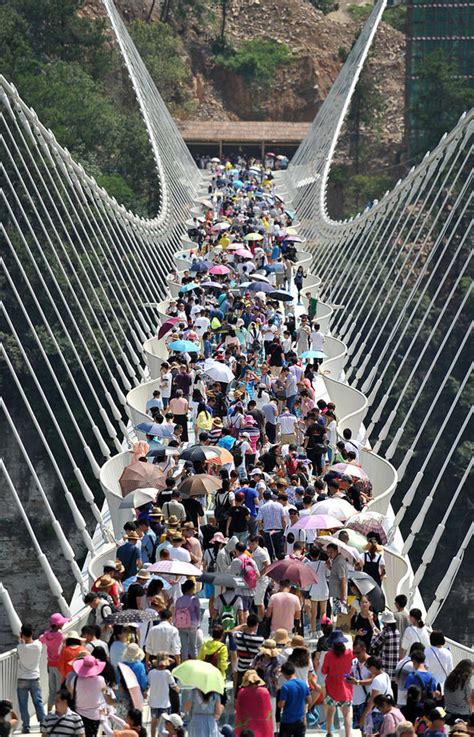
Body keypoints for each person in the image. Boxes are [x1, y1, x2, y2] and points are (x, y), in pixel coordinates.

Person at [321, 631, 353, 737]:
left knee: (330, 710)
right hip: (346, 688)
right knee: (347, 713)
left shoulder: (328, 655)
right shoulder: (349, 653)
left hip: (331, 688)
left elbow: (324, 671)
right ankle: (348, 735)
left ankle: (329, 732)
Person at [16, 624, 46, 734]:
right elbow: (32, 643)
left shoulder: (20, 647)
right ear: (32, 633)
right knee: (38, 702)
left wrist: (20, 640)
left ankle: (26, 726)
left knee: (23, 704)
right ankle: (42, 723)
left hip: (22, 679)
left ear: (22, 634)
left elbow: (21, 648)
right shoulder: (38, 645)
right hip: (34, 678)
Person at [68, 656, 106, 737]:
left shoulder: (75, 679)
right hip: (95, 715)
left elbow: (71, 694)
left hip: (79, 715)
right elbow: (104, 692)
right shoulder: (100, 680)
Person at [39, 612, 70, 712]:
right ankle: (58, 711)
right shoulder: (60, 635)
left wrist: (46, 633)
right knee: (59, 690)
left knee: (52, 690)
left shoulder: (46, 635)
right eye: (61, 623)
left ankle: (48, 711)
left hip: (50, 664)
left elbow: (41, 639)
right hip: (59, 665)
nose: (63, 624)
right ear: (58, 624)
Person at [359, 656, 393, 737]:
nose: (368, 670)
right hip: (383, 711)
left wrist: (363, 716)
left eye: (368, 667)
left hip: (376, 713)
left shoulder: (377, 680)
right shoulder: (385, 675)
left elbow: (372, 700)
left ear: (373, 667)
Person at [148, 655, 179, 737]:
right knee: (164, 726)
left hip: (153, 702)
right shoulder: (167, 673)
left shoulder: (151, 672)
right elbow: (173, 685)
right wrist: (178, 689)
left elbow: (148, 684)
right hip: (164, 703)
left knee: (153, 723)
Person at [278, 661, 311, 737]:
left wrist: (279, 703)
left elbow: (281, 704)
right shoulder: (303, 684)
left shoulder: (285, 687)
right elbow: (309, 700)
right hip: (300, 720)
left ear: (284, 673)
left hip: (287, 720)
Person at [235, 670, 273, 737]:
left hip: (247, 725)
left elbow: (239, 712)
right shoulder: (265, 692)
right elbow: (268, 712)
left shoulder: (242, 693)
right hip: (263, 726)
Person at [174, 579, 201, 659]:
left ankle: (184, 662)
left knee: (184, 646)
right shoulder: (194, 599)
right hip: (192, 624)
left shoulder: (179, 600)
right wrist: (198, 624)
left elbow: (176, 612)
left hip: (181, 624)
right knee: (193, 646)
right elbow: (198, 613)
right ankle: (194, 663)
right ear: (190, 589)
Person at [349, 638, 372, 731]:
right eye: (354, 653)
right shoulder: (354, 662)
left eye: (358, 652)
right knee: (361, 729)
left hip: (367, 701)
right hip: (356, 701)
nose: (356, 655)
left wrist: (358, 682)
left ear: (364, 649)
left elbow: (373, 679)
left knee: (368, 729)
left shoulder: (371, 662)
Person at [370, 610, 401, 678]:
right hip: (395, 666)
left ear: (386, 623)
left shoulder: (385, 633)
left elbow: (373, 644)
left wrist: (374, 635)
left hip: (385, 665)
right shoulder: (397, 632)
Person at [443, 659, 473, 724]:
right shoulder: (466, 682)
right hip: (463, 714)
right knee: (460, 733)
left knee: (452, 733)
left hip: (449, 712)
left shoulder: (448, 678)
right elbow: (469, 700)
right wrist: (471, 712)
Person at [424, 631, 454, 696]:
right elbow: (450, 671)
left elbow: (425, 668)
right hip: (443, 686)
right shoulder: (448, 653)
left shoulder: (427, 651)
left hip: (430, 684)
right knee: (441, 705)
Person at [326, 543, 348, 617]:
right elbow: (336, 574)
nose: (329, 554)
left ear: (336, 551)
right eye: (328, 552)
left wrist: (343, 596)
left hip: (338, 596)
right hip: (335, 594)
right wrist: (329, 567)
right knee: (335, 615)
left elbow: (343, 579)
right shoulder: (335, 560)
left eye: (331, 552)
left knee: (337, 616)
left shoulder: (339, 562)